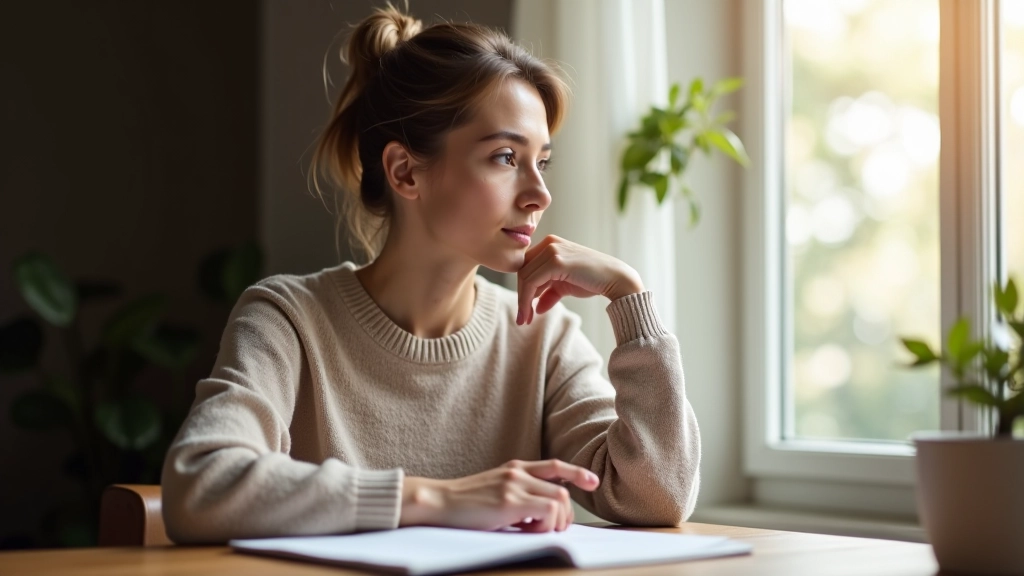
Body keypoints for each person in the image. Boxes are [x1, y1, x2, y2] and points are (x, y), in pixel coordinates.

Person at [161, 4, 700, 544]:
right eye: (507, 157)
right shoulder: (288, 320)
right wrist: (434, 499)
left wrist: (629, 299)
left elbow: (658, 497)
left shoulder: (544, 339)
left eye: (544, 162)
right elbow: (201, 486)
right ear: (405, 171)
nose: (540, 194)